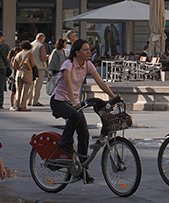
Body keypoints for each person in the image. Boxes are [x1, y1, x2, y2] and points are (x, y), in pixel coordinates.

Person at [50, 39, 115, 184]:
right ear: (77, 51)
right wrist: (73, 101)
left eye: (89, 49)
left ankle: (81, 169)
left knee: (84, 134)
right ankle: (64, 144)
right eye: (85, 50)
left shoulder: (87, 65)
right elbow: (67, 83)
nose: (88, 52)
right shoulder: (68, 64)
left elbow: (100, 82)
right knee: (75, 115)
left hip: (73, 103)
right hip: (59, 101)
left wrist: (114, 97)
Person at [13, 41, 35, 111]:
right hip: (27, 72)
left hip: (18, 72)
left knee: (18, 90)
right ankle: (22, 106)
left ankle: (17, 104)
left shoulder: (18, 54)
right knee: (25, 90)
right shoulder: (29, 53)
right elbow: (33, 64)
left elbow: (14, 65)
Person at [30, 33, 49, 106]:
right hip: (40, 68)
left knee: (31, 85)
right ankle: (35, 101)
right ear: (41, 39)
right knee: (38, 86)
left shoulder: (31, 44)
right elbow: (42, 58)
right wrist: (47, 57)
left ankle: (29, 100)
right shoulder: (41, 46)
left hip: (32, 67)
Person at [7, 46, 21, 111]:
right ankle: (12, 105)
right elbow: (14, 66)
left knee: (16, 91)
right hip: (13, 76)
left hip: (15, 75)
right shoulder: (14, 58)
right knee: (13, 91)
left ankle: (16, 104)